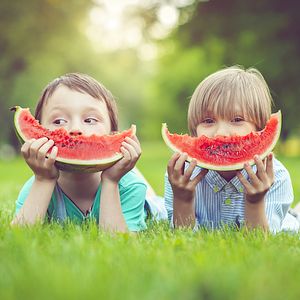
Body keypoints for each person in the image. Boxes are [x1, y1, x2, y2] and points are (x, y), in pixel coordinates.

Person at [164, 66, 299, 233]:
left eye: (237, 119)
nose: (221, 133)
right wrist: (182, 199)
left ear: (260, 129)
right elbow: (183, 236)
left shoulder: (276, 178)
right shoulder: (181, 176)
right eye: (208, 120)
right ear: (194, 129)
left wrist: (255, 202)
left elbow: (259, 243)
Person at [12, 73, 148, 232]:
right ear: (40, 131)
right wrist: (44, 180)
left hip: (141, 195)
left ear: (113, 132)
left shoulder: (129, 186)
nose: (75, 129)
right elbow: (19, 238)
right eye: (59, 121)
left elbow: (120, 244)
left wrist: (111, 181)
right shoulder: (35, 186)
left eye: (90, 120)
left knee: (153, 202)